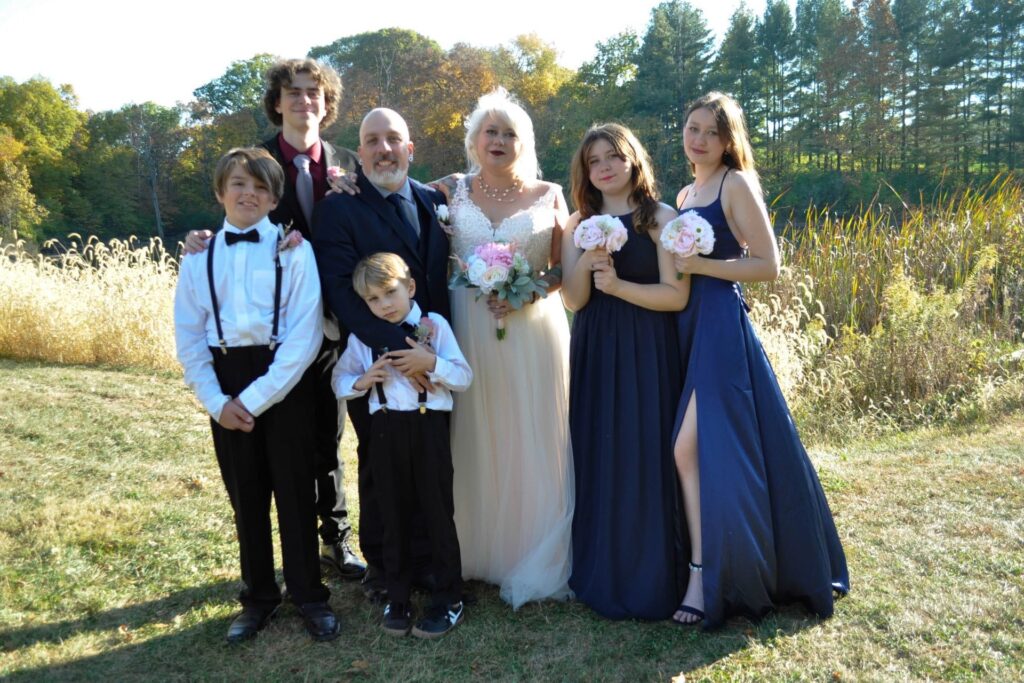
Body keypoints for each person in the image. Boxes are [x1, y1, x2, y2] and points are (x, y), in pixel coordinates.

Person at [670, 92, 849, 627]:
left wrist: (703, 268)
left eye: (710, 132)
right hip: (688, 323)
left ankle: (704, 575)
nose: (698, 139)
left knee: (687, 449)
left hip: (721, 325)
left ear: (728, 141)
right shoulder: (684, 192)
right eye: (692, 127)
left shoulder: (734, 183)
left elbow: (769, 265)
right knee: (720, 449)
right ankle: (733, 561)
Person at [183, 58, 365, 581]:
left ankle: (336, 539)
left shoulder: (347, 163)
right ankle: (276, 560)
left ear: (326, 104)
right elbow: (233, 218)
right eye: (294, 92)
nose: (304, 101)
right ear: (278, 102)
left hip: (335, 326)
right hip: (273, 328)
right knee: (277, 443)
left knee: (326, 438)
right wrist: (198, 240)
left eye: (314, 93)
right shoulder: (256, 163)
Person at [174, 147, 340, 642]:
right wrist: (217, 401)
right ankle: (258, 596)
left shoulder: (292, 250)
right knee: (246, 496)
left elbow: (305, 334)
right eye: (239, 184)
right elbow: (189, 335)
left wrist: (255, 399)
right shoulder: (197, 258)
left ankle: (310, 595)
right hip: (225, 381)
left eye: (261, 187)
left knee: (296, 490)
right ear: (221, 191)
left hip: (284, 379)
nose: (249, 194)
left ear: (274, 200)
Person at [433, 88, 574, 608]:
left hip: (532, 327)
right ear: (473, 139)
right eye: (489, 131)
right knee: (471, 432)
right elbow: (391, 205)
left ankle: (529, 548)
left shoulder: (550, 193)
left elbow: (563, 268)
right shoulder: (448, 190)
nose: (498, 140)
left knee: (530, 433)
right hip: (466, 328)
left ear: (524, 142)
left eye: (509, 132)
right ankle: (472, 548)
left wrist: (526, 292)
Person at [313, 108, 452, 602]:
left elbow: (436, 281)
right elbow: (342, 294)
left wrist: (432, 355)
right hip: (376, 361)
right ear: (360, 152)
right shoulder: (337, 209)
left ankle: (429, 561)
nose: (384, 148)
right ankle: (384, 565)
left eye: (394, 138)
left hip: (434, 358)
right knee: (381, 466)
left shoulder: (435, 199)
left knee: (430, 465)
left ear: (410, 149)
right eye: (372, 140)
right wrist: (400, 354)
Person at [560, 123, 690, 619]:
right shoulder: (578, 223)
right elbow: (573, 299)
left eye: (613, 156)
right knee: (600, 450)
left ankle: (654, 575)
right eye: (594, 161)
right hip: (596, 349)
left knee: (646, 451)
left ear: (633, 160)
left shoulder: (659, 218)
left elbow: (675, 295)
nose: (605, 167)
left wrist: (619, 288)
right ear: (586, 172)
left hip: (647, 348)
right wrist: (590, 261)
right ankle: (602, 570)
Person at [333, 252, 471, 638]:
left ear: (409, 288)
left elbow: (463, 377)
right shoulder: (364, 336)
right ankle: (397, 594)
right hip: (384, 432)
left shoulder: (434, 326)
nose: (384, 305)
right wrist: (362, 381)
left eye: (390, 293)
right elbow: (340, 380)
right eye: (373, 300)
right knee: (391, 513)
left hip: (428, 430)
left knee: (437, 512)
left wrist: (431, 364)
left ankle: (449, 597)